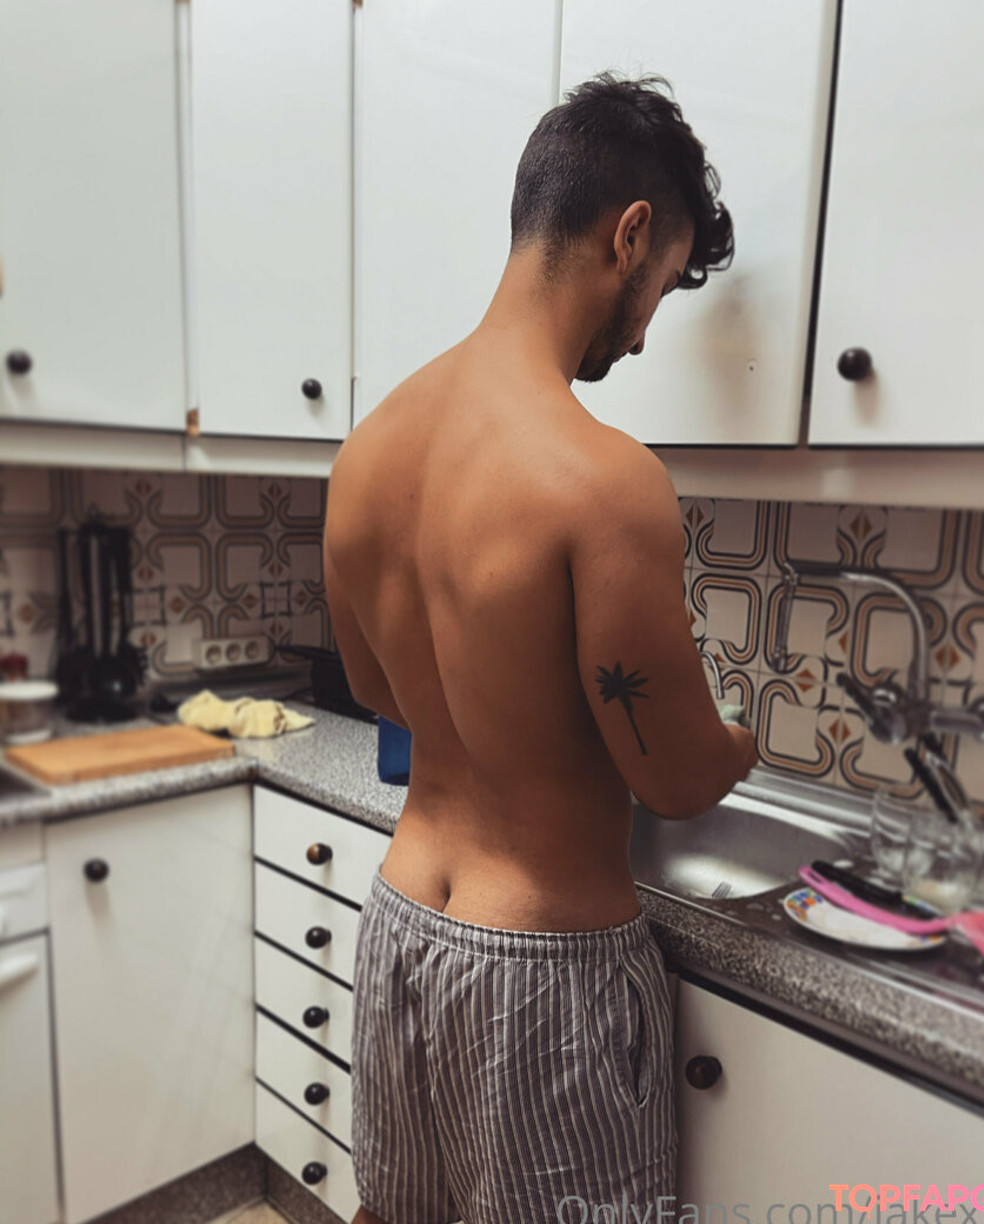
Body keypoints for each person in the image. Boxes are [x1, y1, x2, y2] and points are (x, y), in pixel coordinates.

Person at [325, 72, 759, 1224]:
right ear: (630, 236)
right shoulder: (605, 480)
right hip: (540, 972)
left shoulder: (366, 452)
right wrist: (743, 737)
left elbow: (378, 691)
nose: (645, 332)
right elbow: (675, 778)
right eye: (661, 287)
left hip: (402, 927)